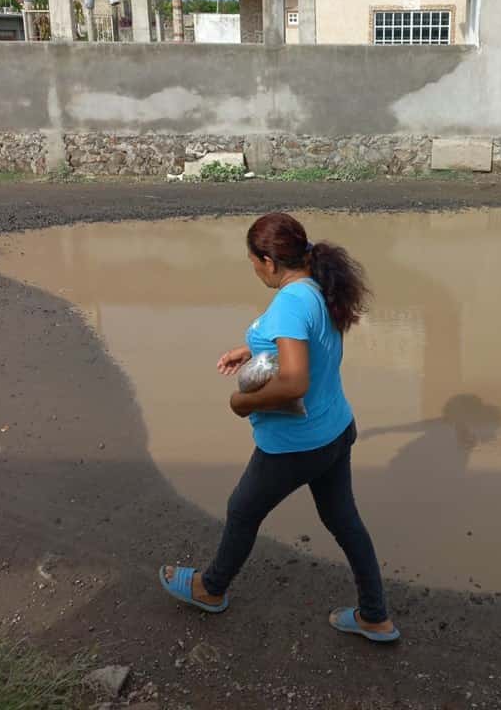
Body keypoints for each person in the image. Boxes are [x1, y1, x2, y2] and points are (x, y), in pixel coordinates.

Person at [160, 212, 399, 643]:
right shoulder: (318, 285)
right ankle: (375, 616)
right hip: (336, 430)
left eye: (253, 262)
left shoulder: (289, 301)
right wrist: (248, 349)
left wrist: (240, 402)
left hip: (295, 445)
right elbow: (302, 342)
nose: (253, 269)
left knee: (242, 510)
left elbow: (294, 381)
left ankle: (210, 589)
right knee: (344, 522)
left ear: (269, 261)